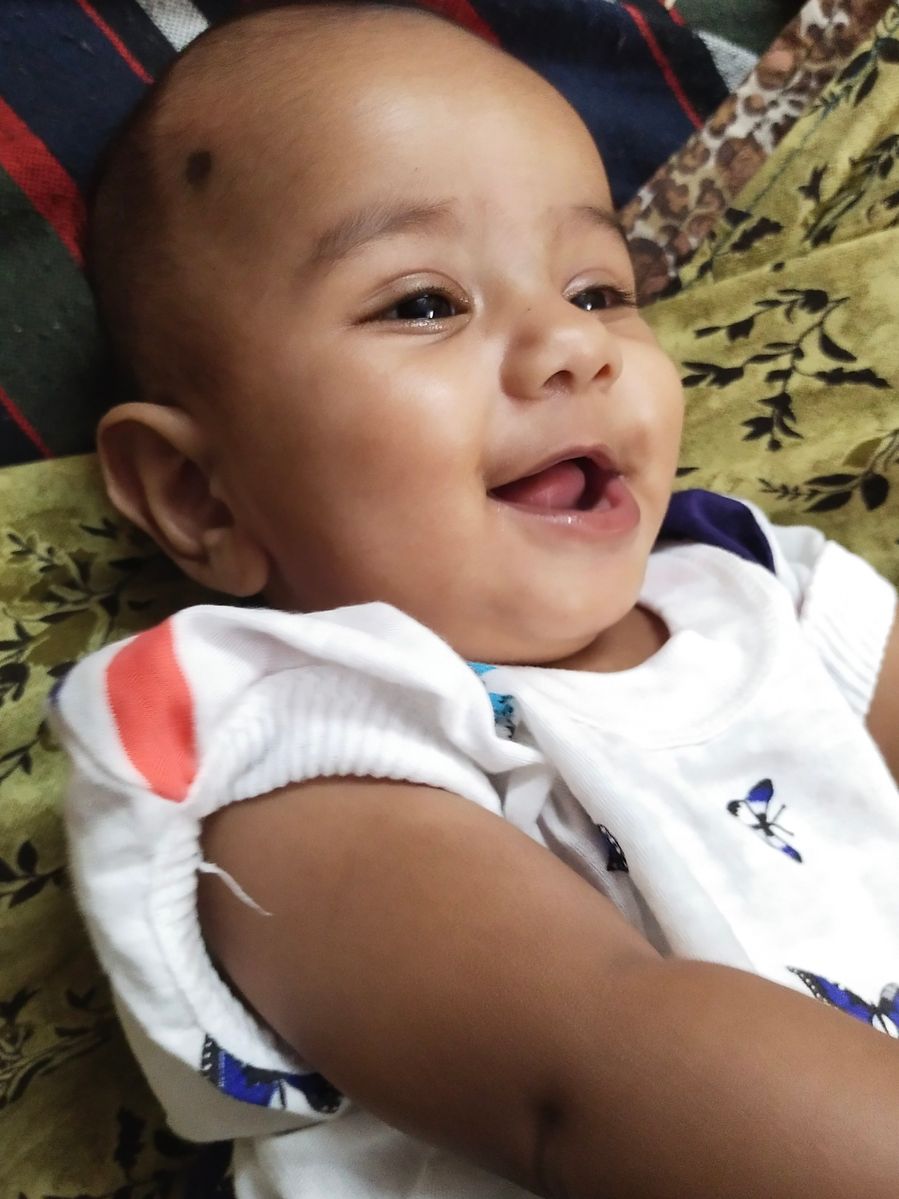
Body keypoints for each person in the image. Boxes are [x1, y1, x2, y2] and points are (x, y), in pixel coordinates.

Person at [52, 4, 899, 1197]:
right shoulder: (294, 746)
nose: (570, 345)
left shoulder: (762, 586)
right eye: (422, 303)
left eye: (597, 288)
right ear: (200, 494)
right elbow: (590, 1069)